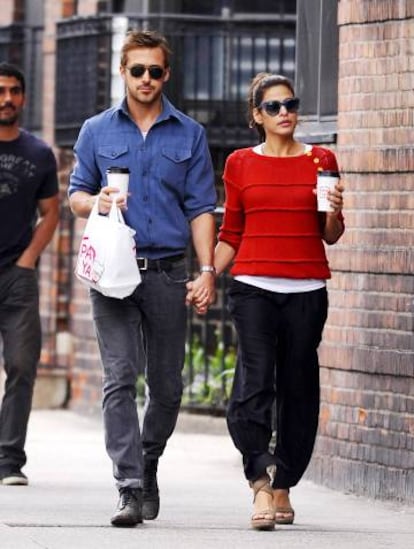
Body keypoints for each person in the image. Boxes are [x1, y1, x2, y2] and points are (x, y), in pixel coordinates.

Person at [68, 30, 217, 527]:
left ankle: (149, 458)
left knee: (168, 387)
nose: (147, 79)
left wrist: (208, 270)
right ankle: (129, 486)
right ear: (123, 71)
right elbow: (75, 197)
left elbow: (200, 209)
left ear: (166, 74)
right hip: (113, 275)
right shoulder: (96, 130)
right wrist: (99, 202)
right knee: (118, 377)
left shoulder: (189, 134)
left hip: (169, 271)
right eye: (138, 71)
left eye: (156, 71)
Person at [192, 73, 344, 530]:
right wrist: (206, 275)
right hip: (254, 289)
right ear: (257, 115)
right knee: (254, 384)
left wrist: (334, 209)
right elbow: (232, 233)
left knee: (298, 388)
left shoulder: (321, 159)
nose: (285, 113)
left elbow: (330, 234)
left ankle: (284, 486)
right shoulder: (240, 163)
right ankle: (260, 479)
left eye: (291, 104)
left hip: (306, 291)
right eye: (274, 106)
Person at [0, 63, 59, 486]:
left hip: (17, 276)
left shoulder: (38, 153)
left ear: (23, 97)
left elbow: (51, 213)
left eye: (14, 91)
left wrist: (28, 259)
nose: (7, 98)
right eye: (0, 90)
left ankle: (8, 461)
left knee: (22, 364)